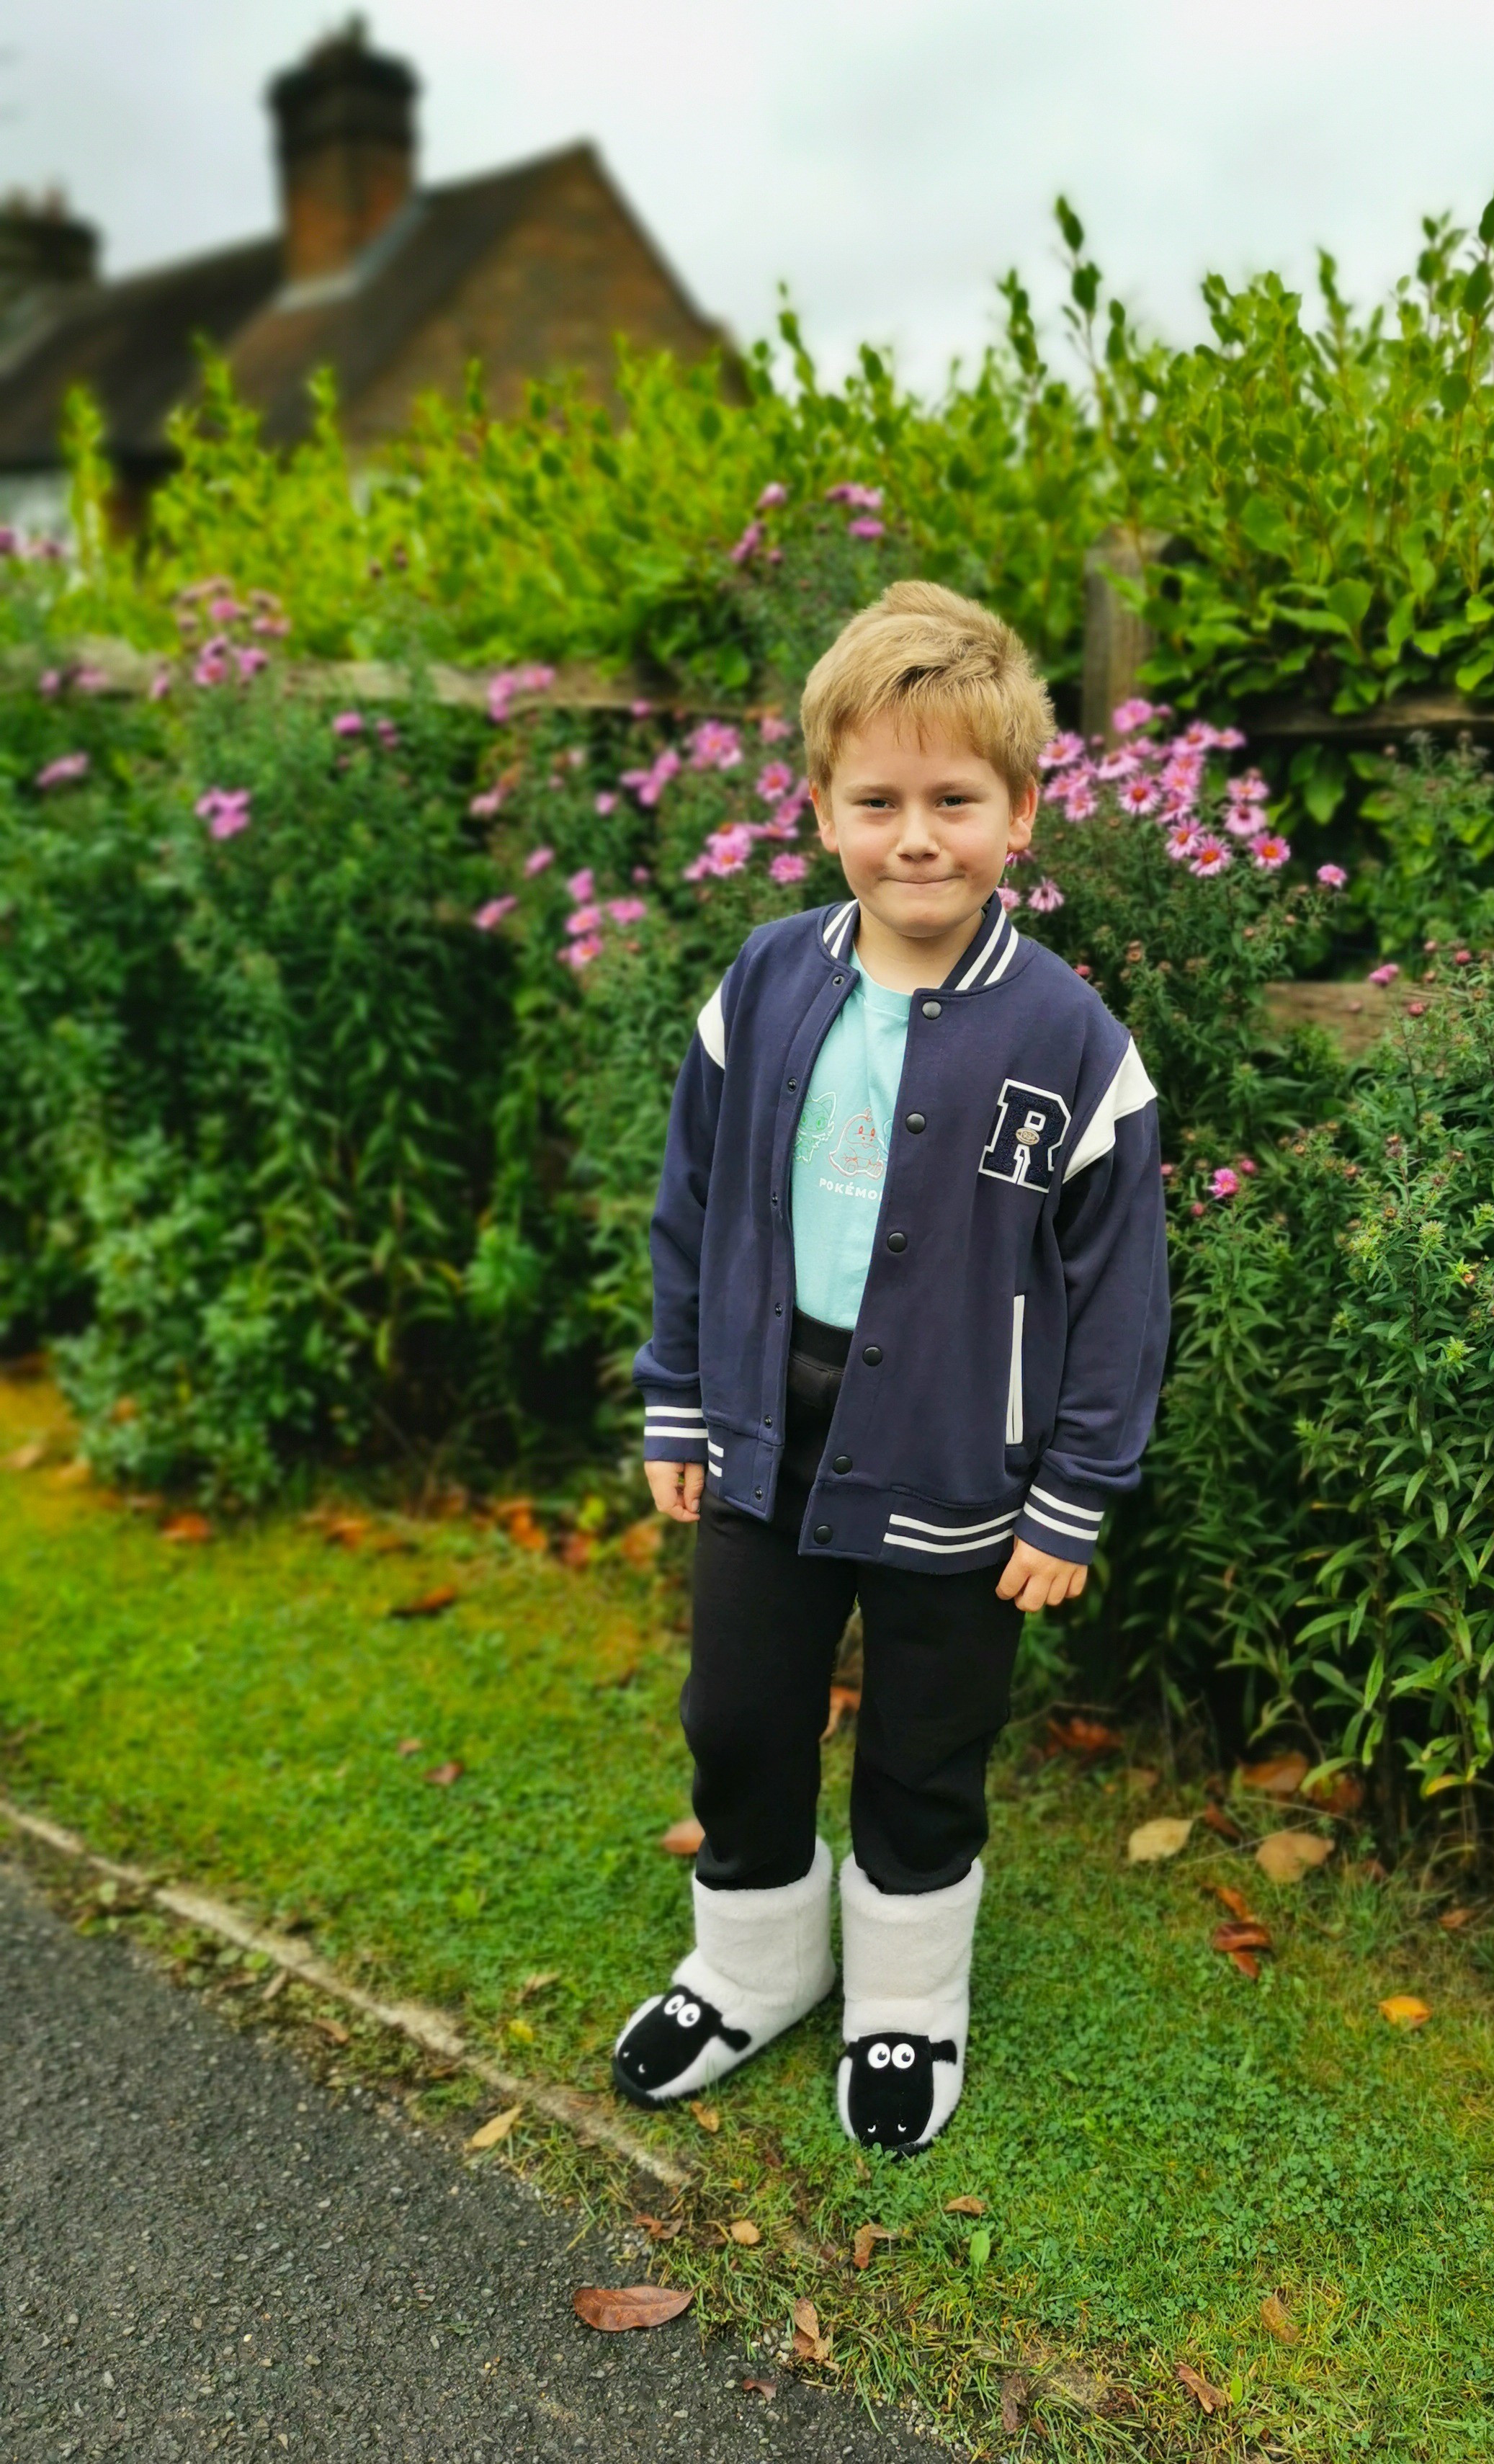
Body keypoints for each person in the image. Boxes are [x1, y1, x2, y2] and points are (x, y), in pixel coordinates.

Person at [611, 581, 1169, 2154]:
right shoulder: (767, 987)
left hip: (959, 1473)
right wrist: (677, 1392)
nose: (915, 837)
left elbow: (1120, 1294)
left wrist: (1072, 1498)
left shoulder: (1071, 1043)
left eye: (953, 801)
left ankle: (909, 2011)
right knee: (739, 1718)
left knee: (926, 1752)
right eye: (879, 802)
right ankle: (750, 1973)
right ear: (819, 810)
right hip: (761, 1441)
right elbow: (693, 1204)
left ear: (1020, 814)